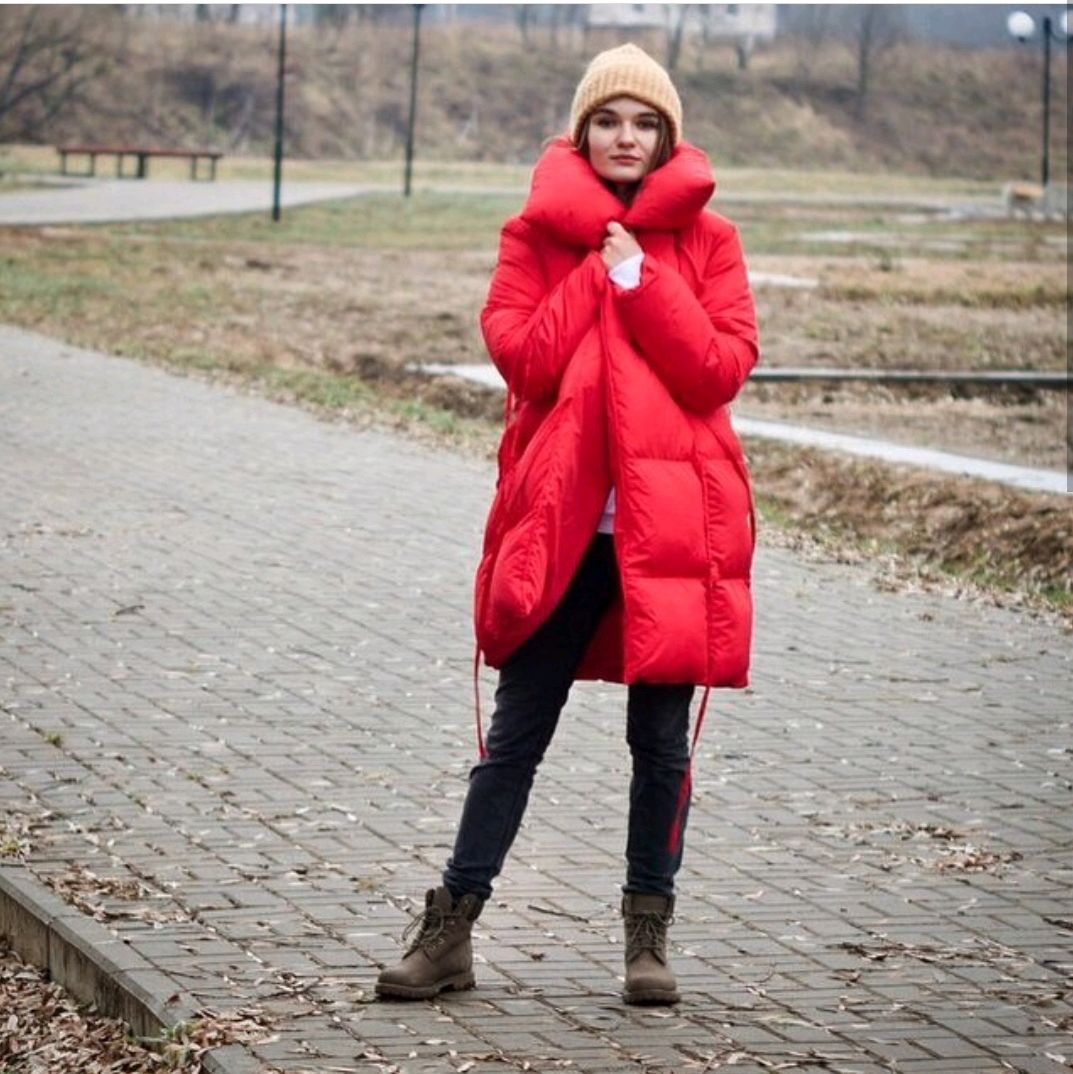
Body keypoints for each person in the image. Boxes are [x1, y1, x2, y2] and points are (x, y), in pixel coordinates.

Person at [376, 41, 759, 1007]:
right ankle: (450, 931)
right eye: (608, 121)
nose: (626, 137)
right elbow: (523, 362)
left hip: (670, 535)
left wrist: (644, 281)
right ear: (581, 133)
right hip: (563, 535)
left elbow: (718, 370)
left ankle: (647, 940)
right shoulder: (532, 237)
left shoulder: (709, 241)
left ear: (666, 137)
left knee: (660, 746)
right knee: (515, 738)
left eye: (644, 123)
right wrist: (596, 271)